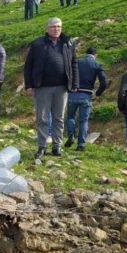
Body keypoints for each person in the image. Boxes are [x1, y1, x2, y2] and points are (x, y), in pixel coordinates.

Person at [24, 17, 78, 159]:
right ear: (47, 29)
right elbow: (28, 66)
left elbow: (74, 64)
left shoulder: (67, 43)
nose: (56, 29)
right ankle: (41, 147)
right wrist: (28, 85)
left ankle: (56, 146)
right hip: (42, 87)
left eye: (59, 27)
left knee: (59, 118)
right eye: (53, 27)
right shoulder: (38, 44)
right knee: (42, 118)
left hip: (62, 87)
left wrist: (74, 83)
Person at [64, 47, 108, 151]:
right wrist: (98, 93)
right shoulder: (97, 65)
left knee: (70, 116)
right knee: (83, 121)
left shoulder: (77, 62)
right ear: (95, 55)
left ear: (86, 53)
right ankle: (81, 145)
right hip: (86, 95)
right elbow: (104, 82)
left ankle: (71, 135)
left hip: (73, 93)